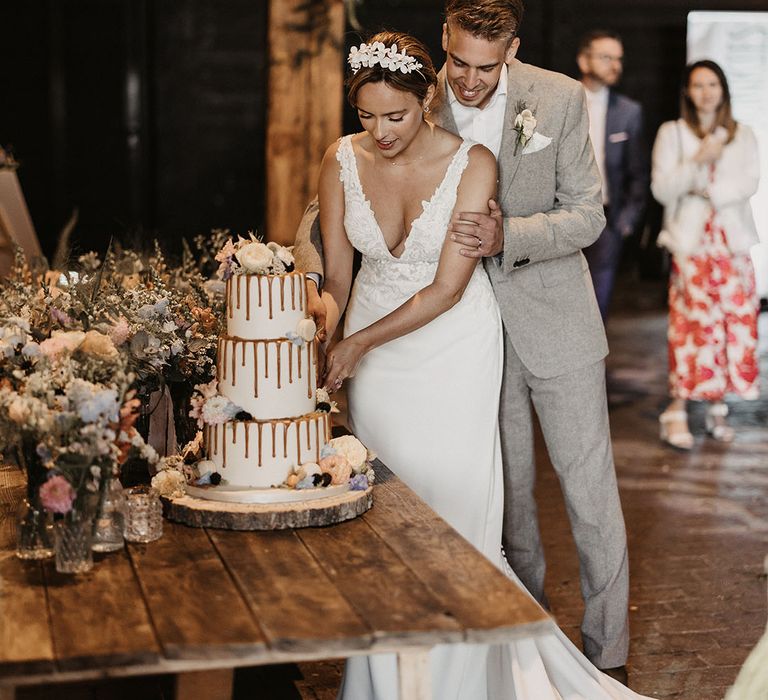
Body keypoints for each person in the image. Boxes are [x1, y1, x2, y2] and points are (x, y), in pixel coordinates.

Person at [296, 0, 632, 686]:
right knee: (504, 502)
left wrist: (512, 236)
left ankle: (608, 649)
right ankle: (513, 634)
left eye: (485, 67)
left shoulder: (558, 99)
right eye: (457, 64)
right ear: (442, 50)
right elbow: (327, 218)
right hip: (450, 330)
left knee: (586, 488)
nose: (468, 82)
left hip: (542, 314)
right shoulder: (411, 95)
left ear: (512, 51)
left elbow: (589, 213)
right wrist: (307, 293)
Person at [651, 60, 760, 449]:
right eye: (698, 85)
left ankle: (718, 406)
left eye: (713, 84)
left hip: (731, 245)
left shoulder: (742, 134)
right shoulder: (673, 133)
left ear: (724, 90)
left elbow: (749, 181)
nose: (706, 92)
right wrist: (697, 161)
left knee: (734, 325)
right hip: (691, 243)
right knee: (694, 327)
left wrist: (709, 192)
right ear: (688, 92)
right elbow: (662, 190)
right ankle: (676, 408)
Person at [577, 30, 647, 320]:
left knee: (599, 299)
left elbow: (639, 172)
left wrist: (626, 221)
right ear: (584, 60)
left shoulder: (629, 112)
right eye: (606, 57)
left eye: (618, 59)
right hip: (561, 214)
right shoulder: (561, 101)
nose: (615, 65)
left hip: (607, 220)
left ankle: (593, 364)